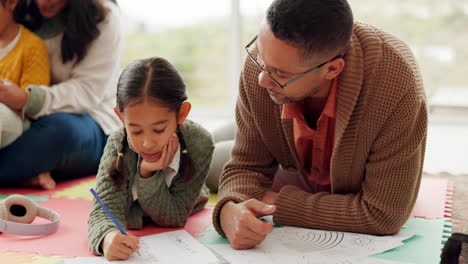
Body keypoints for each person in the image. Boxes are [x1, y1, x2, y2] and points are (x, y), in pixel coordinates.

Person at [213, 0, 427, 250]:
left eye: (280, 74)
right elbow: (245, 167)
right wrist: (228, 209)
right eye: (259, 54)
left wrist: (276, 203)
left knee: (207, 161)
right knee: (205, 149)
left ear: (332, 69)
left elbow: (383, 215)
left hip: (329, 178)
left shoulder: (396, 86)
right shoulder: (264, 66)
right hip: (290, 154)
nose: (261, 79)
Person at [87, 57, 214, 261]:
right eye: (135, 131)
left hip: (201, 181)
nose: (146, 143)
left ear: (181, 113)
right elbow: (103, 212)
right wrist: (107, 237)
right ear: (121, 118)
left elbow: (173, 217)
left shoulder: (200, 143)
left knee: (230, 160)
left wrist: (147, 174)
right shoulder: (118, 143)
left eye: (158, 129)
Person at [0, 0, 123, 189]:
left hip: (88, 118)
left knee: (58, 132)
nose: (43, 2)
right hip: (26, 115)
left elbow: (87, 92)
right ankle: (27, 173)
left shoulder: (104, 16)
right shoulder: (17, 9)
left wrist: (28, 99)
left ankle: (27, 169)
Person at [0, 0, 50, 149]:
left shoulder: (32, 46)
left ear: (11, 3)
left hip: (16, 120)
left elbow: (32, 108)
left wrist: (11, 95)